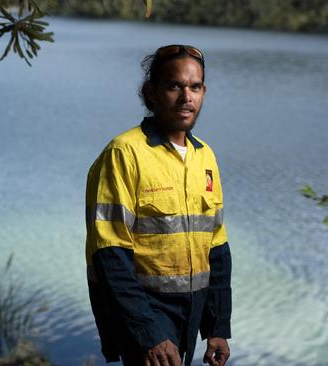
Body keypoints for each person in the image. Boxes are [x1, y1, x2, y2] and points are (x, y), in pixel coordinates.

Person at [85, 45, 232, 366]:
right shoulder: (124, 153)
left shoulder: (205, 156)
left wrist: (217, 326)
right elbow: (109, 253)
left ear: (204, 92)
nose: (186, 97)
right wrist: (147, 330)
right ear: (151, 92)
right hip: (144, 310)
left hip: (191, 310)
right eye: (174, 86)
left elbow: (217, 248)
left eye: (194, 87)